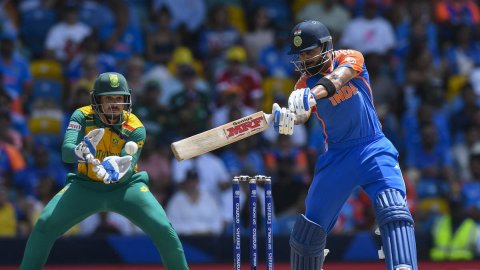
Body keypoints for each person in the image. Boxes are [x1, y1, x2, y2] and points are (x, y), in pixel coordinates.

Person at [272, 20, 418, 270]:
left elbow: (338, 79)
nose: (305, 59)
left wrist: (312, 94)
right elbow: (303, 114)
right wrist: (288, 118)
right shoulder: (301, 86)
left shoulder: (350, 57)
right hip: (337, 157)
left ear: (326, 47)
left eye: (310, 51)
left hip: (373, 146)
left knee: (393, 210)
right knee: (308, 232)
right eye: (301, 54)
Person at [19, 72, 189, 270]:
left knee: (163, 229)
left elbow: (128, 161)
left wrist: (116, 168)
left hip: (126, 188)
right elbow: (66, 153)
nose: (114, 104)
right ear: (96, 100)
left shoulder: (135, 127)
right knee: (44, 225)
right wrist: (79, 151)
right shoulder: (81, 116)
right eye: (109, 98)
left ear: (127, 100)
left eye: (119, 98)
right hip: (85, 186)